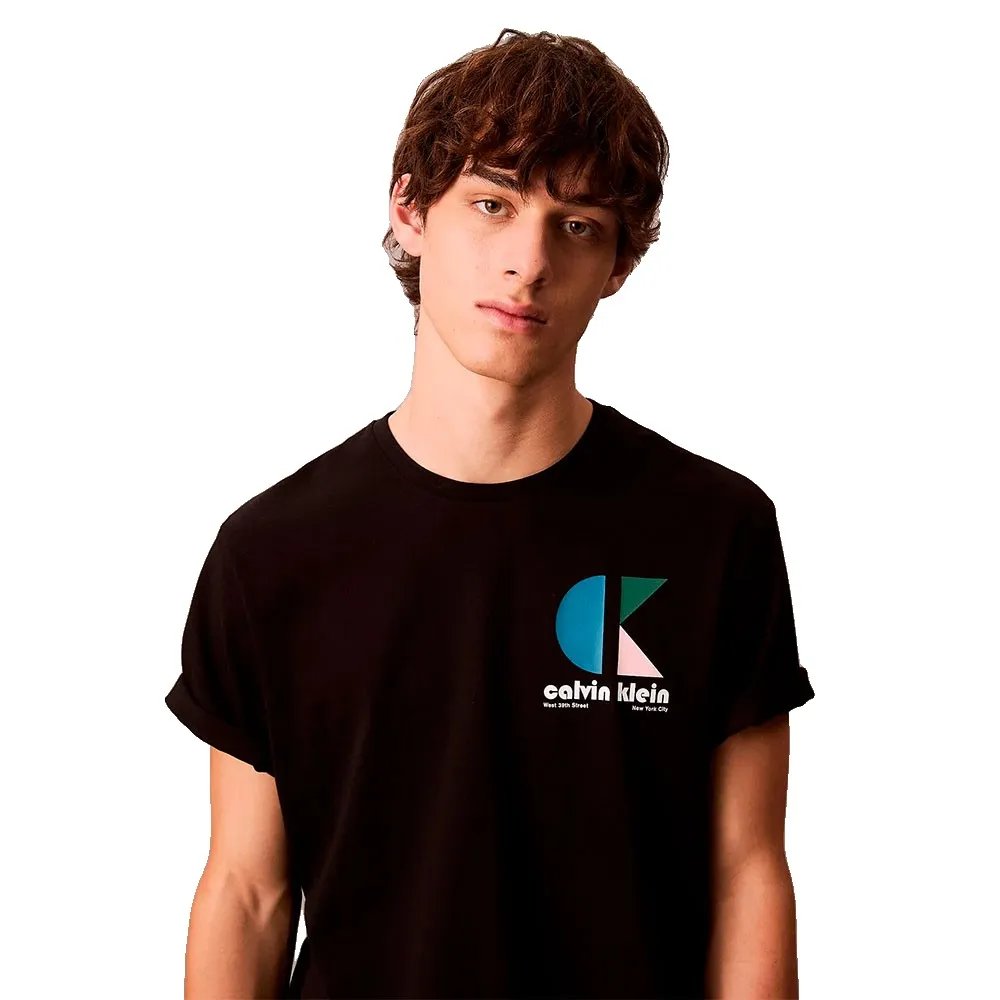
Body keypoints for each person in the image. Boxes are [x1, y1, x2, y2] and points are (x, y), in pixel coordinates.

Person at [165, 27, 816, 999]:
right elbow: (248, 890)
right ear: (410, 210)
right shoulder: (272, 553)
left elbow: (746, 873)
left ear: (619, 263)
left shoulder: (714, 531)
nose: (529, 260)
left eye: (577, 224)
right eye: (491, 203)